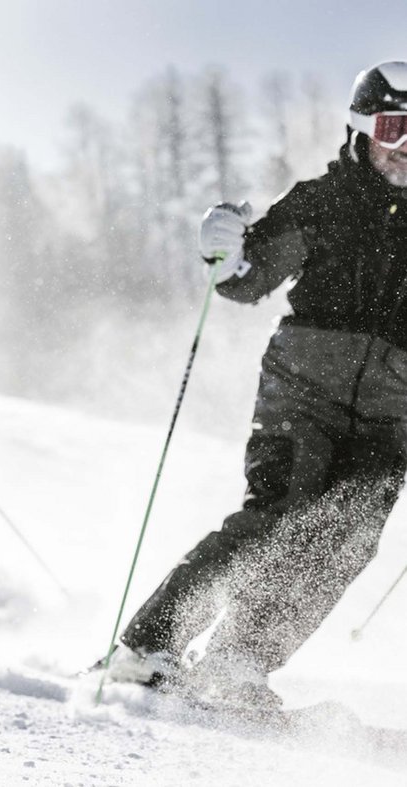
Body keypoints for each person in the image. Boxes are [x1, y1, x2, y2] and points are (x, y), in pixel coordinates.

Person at [106, 61, 407, 707]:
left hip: (393, 410)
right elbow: (244, 277)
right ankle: (146, 648)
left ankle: (238, 664)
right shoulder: (323, 200)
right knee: (278, 515)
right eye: (394, 125)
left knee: (345, 541)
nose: (406, 143)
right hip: (304, 387)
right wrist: (223, 247)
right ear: (362, 127)